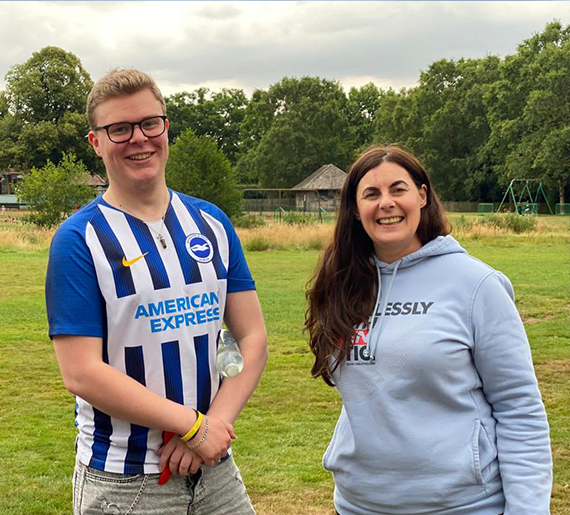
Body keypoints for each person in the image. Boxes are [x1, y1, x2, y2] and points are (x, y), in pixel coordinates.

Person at [45, 69, 267, 515]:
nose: (139, 139)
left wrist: (212, 425)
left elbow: (252, 337)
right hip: (125, 481)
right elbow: (82, 373)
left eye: (150, 123)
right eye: (119, 129)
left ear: (166, 127)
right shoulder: (79, 239)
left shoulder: (211, 223)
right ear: (96, 142)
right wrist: (191, 426)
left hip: (216, 471)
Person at [305, 146, 552, 515]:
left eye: (398, 189)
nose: (386, 203)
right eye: (371, 194)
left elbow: (519, 407)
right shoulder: (343, 285)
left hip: (464, 505)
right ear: (355, 210)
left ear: (422, 196)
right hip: (360, 505)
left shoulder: (476, 284)